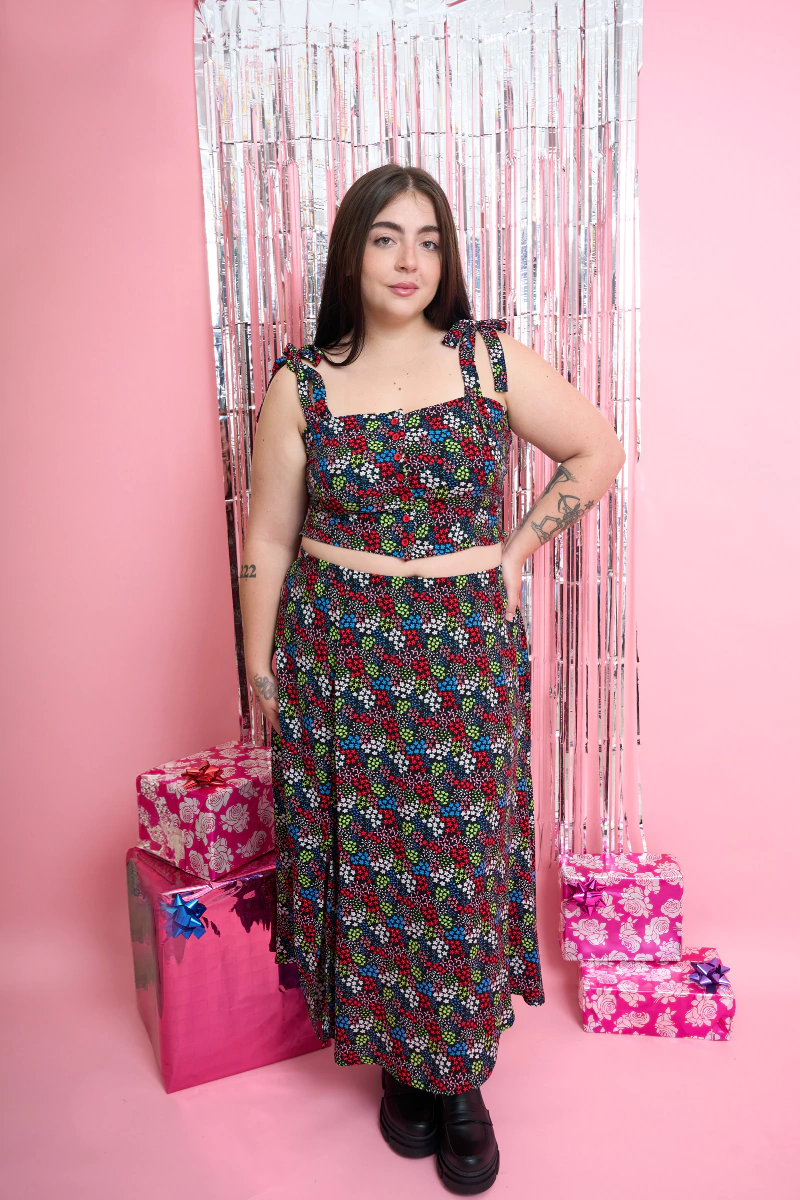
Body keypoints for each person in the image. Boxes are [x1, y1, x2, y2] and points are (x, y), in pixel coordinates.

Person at [240, 163, 625, 1194]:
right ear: (350, 253)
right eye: (385, 238)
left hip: (460, 656)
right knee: (371, 863)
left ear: (446, 258)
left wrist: (516, 550)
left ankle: (459, 1079)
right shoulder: (300, 385)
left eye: (427, 240)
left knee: (458, 856)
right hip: (341, 656)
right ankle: (399, 1066)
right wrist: (258, 661)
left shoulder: (486, 359)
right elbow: (267, 537)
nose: (408, 260)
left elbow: (595, 450)